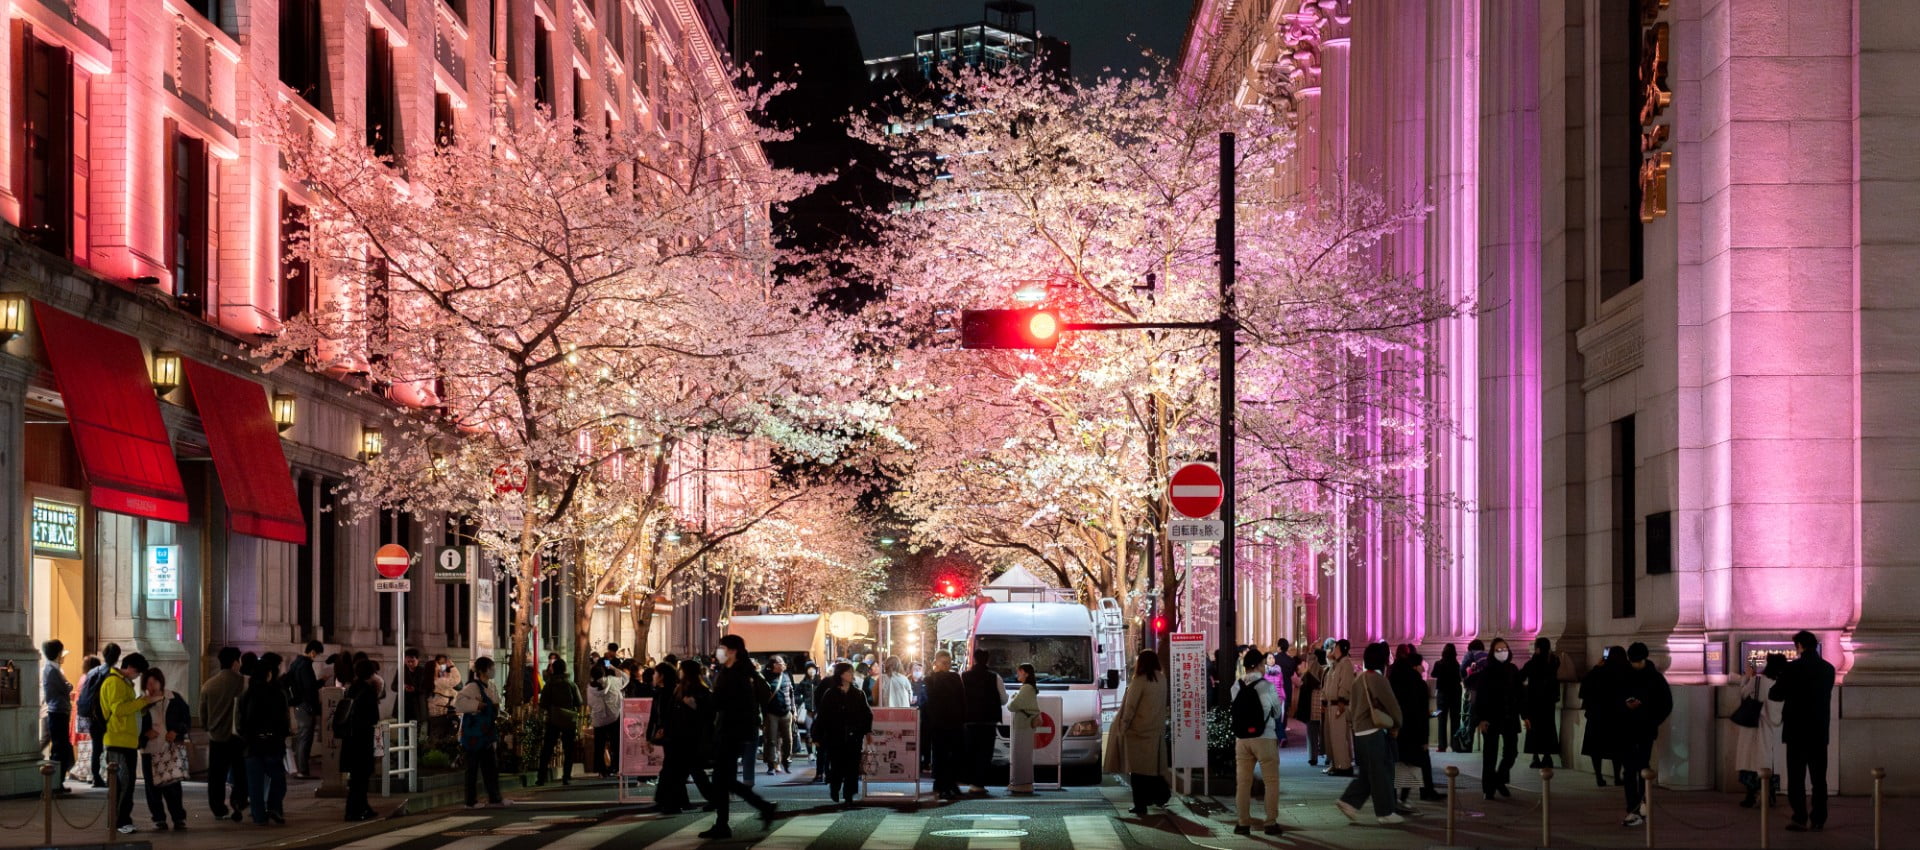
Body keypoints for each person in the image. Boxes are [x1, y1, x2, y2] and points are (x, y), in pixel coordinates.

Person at [703, 635, 776, 839]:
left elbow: (725, 702)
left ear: (732, 650)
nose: (719, 651)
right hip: (732, 731)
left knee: (722, 779)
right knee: (724, 780)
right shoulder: (734, 670)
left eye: (722, 647)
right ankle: (729, 820)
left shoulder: (738, 674)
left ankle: (728, 822)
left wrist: (703, 701)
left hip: (732, 731)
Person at [1334, 642, 1405, 826]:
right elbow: (1392, 705)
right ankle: (1385, 812)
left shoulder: (1360, 678)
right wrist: (1397, 724)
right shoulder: (1378, 679)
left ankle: (1348, 802)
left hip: (1359, 733)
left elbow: (1351, 708)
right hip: (1374, 732)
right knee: (1381, 773)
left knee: (1368, 773)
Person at [1771, 630, 1835, 833]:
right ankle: (1818, 818)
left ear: (1798, 646)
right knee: (1819, 779)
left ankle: (1800, 816)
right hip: (1818, 731)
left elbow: (1775, 694)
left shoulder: (1793, 669)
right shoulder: (1828, 669)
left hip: (1796, 731)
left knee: (1797, 778)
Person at [1617, 642, 1672, 828]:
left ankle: (1642, 807)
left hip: (1645, 730)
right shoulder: (1624, 676)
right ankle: (1633, 809)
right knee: (1630, 771)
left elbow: (1666, 704)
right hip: (1626, 730)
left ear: (1644, 659)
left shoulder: (1655, 678)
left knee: (1642, 769)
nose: (1635, 664)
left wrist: (1650, 717)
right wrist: (1625, 705)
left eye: (1638, 661)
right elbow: (1614, 699)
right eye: (1633, 661)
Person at [1229, 647, 1283, 835]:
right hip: (1265, 738)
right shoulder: (1267, 686)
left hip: (1242, 739)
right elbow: (1277, 713)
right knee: (1271, 781)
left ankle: (1243, 822)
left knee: (1243, 782)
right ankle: (1270, 822)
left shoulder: (1236, 687)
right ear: (1259, 665)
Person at [1115, 650, 1170, 815]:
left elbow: (1131, 707)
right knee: (1153, 769)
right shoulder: (1161, 679)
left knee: (1138, 771)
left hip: (1138, 731)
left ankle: (1140, 805)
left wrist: (1123, 727)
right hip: (1156, 730)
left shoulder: (1139, 681)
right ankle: (1159, 797)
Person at [102, 652, 151, 834]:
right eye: (137, 673)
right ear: (129, 668)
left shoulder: (124, 683)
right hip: (118, 741)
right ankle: (120, 821)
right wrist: (142, 702)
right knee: (123, 784)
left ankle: (119, 820)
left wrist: (141, 705)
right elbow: (119, 710)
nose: (137, 676)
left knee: (125, 783)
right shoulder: (115, 682)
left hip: (127, 740)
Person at [1469, 637, 1523, 800]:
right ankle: (1489, 788)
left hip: (1509, 717)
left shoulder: (1513, 670)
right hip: (1491, 718)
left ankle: (1499, 780)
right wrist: (1481, 719)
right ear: (1493, 653)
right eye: (1498, 650)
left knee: (1511, 753)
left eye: (1504, 649)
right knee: (1490, 755)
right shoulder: (1487, 672)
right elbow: (1481, 698)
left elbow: (1520, 694)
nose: (1502, 653)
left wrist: (1525, 715)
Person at [238, 653, 289, 826]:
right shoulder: (276, 694)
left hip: (251, 745)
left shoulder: (246, 694)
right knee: (278, 778)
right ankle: (274, 807)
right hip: (272, 742)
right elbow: (283, 720)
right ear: (268, 674)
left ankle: (259, 816)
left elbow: (240, 721)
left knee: (255, 784)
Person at [199, 646, 249, 822]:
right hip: (237, 738)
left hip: (216, 737)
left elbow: (203, 714)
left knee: (216, 776)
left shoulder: (208, 685)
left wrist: (208, 727)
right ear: (236, 662)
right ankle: (238, 802)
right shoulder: (243, 683)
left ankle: (218, 808)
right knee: (240, 772)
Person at [136, 666, 189, 832]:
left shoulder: (174, 698)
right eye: (148, 683)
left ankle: (178, 817)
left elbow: (186, 720)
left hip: (169, 748)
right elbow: (135, 727)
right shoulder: (141, 702)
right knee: (152, 787)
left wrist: (176, 731)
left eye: (154, 682)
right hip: (149, 749)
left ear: (161, 682)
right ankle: (158, 818)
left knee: (172, 784)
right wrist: (145, 734)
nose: (151, 686)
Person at [1389, 644, 1442, 805]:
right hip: (1416, 731)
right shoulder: (1418, 684)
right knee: (1416, 762)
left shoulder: (1396, 679)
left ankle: (1411, 795)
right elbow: (1420, 713)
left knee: (1408, 762)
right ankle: (1414, 795)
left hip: (1402, 728)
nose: (1423, 669)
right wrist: (1425, 738)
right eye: (1421, 666)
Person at [812, 662, 872, 804]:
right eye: (849, 672)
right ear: (841, 674)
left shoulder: (858, 693)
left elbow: (867, 714)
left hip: (854, 736)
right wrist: (817, 735)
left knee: (852, 766)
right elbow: (823, 716)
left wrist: (867, 731)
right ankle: (835, 787)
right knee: (837, 765)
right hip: (835, 736)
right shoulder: (830, 694)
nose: (852, 675)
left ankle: (849, 794)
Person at [455, 657, 508, 809]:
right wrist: (478, 705)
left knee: (490, 767)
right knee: (472, 768)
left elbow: (496, 705)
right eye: (491, 668)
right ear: (483, 671)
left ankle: (495, 798)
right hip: (473, 736)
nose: (494, 671)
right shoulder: (472, 686)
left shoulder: (490, 686)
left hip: (486, 734)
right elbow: (458, 703)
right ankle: (471, 801)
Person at [1734, 654, 1785, 809]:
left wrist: (1747, 677)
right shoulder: (1780, 683)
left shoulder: (1758, 681)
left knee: (1751, 760)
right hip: (1772, 729)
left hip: (1754, 727)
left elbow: (1743, 693)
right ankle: (1769, 794)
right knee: (1769, 761)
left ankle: (1751, 795)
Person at [339, 659, 382, 822]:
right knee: (361, 777)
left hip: (350, 738)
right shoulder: (368, 691)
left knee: (356, 777)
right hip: (363, 738)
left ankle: (363, 807)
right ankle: (353, 811)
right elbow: (374, 717)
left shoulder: (351, 689)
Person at [960, 649, 1006, 795]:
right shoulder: (995, 677)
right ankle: (980, 782)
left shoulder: (964, 676)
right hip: (989, 721)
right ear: (987, 660)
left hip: (970, 721)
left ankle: (972, 782)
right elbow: (1004, 699)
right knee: (985, 753)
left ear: (973, 659)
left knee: (970, 751)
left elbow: (960, 697)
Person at [923, 650, 968, 800]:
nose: (947, 666)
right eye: (944, 663)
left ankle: (948, 783)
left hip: (952, 721)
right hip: (940, 722)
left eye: (948, 663)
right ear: (936, 662)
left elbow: (962, 698)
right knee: (941, 754)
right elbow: (930, 701)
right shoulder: (931, 679)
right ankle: (944, 783)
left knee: (953, 754)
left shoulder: (953, 677)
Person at [76, 642, 121, 789]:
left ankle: (96, 777)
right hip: (107, 716)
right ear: (117, 657)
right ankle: (112, 776)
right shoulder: (114, 674)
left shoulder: (93, 672)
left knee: (97, 747)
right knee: (112, 747)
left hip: (93, 716)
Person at [1579, 648, 1623, 786]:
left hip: (1596, 716)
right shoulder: (1622, 673)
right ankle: (1617, 777)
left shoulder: (1597, 672)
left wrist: (1596, 667)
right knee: (1617, 749)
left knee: (1596, 749)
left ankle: (1599, 776)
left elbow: (1583, 689)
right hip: (1615, 717)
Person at [536, 658, 580, 786]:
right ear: (565, 669)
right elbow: (579, 702)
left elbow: (543, 703)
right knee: (569, 749)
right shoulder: (570, 684)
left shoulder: (549, 684)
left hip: (553, 719)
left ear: (553, 669)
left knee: (547, 749)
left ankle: (541, 778)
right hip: (568, 719)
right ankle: (566, 776)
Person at [1520, 637, 1562, 768]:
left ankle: (1536, 756)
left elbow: (1521, 676)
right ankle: (1548, 756)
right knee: (1548, 728)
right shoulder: (1553, 661)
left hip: (1534, 701)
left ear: (1537, 648)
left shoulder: (1533, 662)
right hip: (1548, 701)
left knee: (1534, 729)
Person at [285, 641, 323, 779]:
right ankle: (302, 770)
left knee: (303, 737)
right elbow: (309, 688)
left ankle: (302, 768)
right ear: (312, 651)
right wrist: (322, 682)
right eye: (317, 653)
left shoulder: (296, 664)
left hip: (298, 705)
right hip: (305, 706)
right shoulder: (305, 665)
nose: (316, 656)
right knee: (305, 738)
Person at [40, 640, 74, 790]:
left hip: (58, 710)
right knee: (59, 748)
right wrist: (68, 686)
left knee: (60, 747)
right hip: (57, 710)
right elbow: (65, 688)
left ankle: (58, 782)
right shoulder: (51, 670)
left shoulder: (52, 668)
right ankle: (56, 783)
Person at [1322, 639, 1357, 776]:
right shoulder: (1335, 665)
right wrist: (1324, 701)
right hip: (1331, 704)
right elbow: (1327, 684)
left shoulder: (1346, 664)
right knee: (1331, 737)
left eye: (1335, 648)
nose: (1333, 650)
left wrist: (1342, 701)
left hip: (1339, 705)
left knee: (1339, 736)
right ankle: (1336, 764)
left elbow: (1345, 684)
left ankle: (1344, 766)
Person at [762, 655, 795, 774]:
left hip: (786, 713)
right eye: (780, 662)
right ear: (774, 665)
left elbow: (791, 693)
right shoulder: (766, 677)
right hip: (772, 713)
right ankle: (772, 764)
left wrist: (793, 710)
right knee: (771, 740)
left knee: (788, 740)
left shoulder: (786, 676)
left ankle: (786, 762)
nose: (783, 664)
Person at [588, 666, 623, 779]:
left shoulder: (590, 688)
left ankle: (601, 771)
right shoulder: (612, 681)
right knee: (616, 743)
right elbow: (625, 678)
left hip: (599, 719)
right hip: (614, 716)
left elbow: (590, 703)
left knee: (599, 746)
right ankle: (617, 768)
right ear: (604, 674)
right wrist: (614, 668)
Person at [1295, 647, 1326, 767]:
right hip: (1321, 706)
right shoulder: (1326, 671)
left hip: (1312, 708)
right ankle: (1327, 756)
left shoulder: (1308, 676)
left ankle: (1312, 757)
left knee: (1311, 733)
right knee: (1323, 733)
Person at [1431, 644, 1462, 753]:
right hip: (1455, 695)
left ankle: (1442, 746)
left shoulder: (1438, 664)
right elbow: (1460, 677)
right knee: (1455, 720)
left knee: (1441, 721)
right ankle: (1455, 745)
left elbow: (1433, 674)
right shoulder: (1457, 665)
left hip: (1442, 695)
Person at [1272, 640, 1298, 746]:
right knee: (1284, 711)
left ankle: (1278, 735)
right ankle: (1282, 732)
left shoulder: (1274, 659)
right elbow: (1292, 673)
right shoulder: (1291, 660)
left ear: (1278, 647)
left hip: (1275, 687)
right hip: (1286, 687)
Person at [793, 663, 818, 760]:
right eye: (809, 669)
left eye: (813, 669)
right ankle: (810, 753)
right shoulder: (803, 683)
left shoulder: (820, 682)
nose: (811, 671)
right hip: (807, 711)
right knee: (809, 732)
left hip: (818, 710)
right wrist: (802, 700)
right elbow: (796, 695)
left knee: (818, 732)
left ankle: (817, 751)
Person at [402, 649, 433, 726]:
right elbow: (394, 686)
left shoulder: (423, 671)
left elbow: (427, 688)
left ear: (417, 660)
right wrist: (403, 687)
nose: (410, 664)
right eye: (408, 661)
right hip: (405, 702)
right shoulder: (402, 670)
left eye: (412, 661)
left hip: (418, 703)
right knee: (404, 724)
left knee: (417, 724)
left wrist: (415, 689)